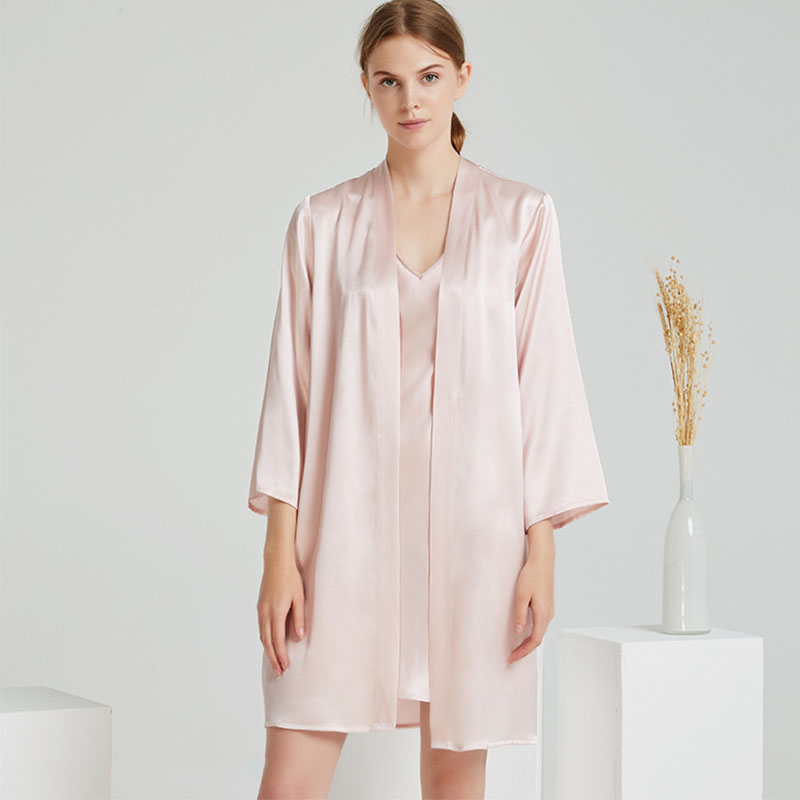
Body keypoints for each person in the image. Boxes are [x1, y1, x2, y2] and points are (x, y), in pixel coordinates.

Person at [249, 1, 609, 797]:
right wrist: (279, 556)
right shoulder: (322, 223)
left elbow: (544, 385)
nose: (410, 100)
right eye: (389, 82)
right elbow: (290, 394)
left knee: (454, 779)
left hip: (474, 538)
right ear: (367, 89)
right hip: (340, 532)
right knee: (290, 778)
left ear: (462, 78)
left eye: (429, 77)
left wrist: (540, 551)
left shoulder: (521, 218)